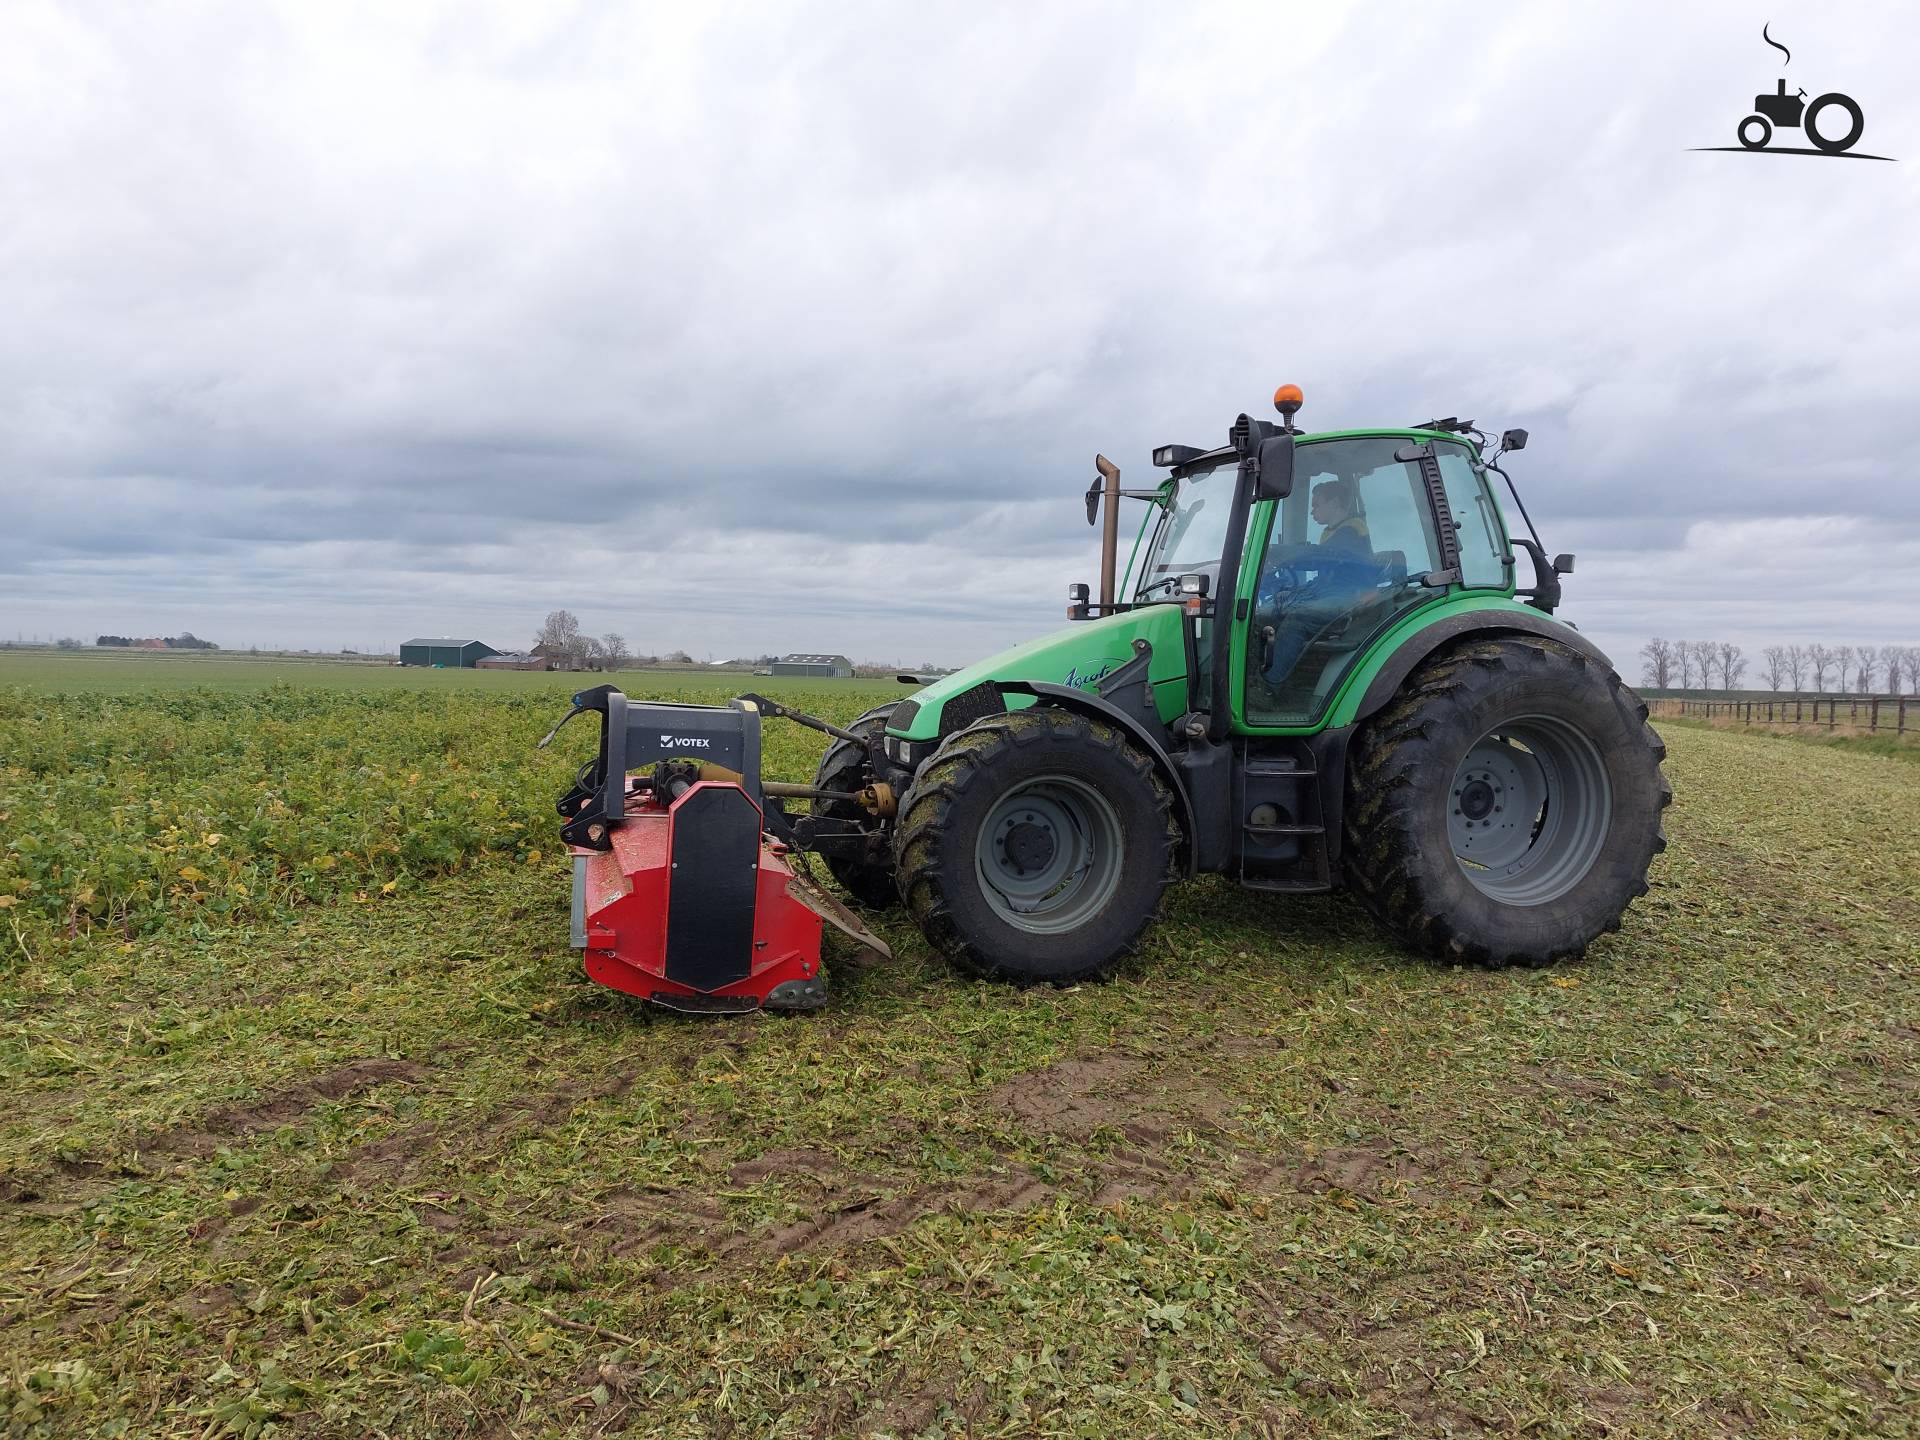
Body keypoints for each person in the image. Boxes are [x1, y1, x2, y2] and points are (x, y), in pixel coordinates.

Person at [1257, 477, 1380, 695]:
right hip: (1326, 591)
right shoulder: (1333, 531)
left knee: (1297, 620)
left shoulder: (1352, 530)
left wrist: (1283, 554)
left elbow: (1324, 556)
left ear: (1333, 503)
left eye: (1316, 505)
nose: (1312, 511)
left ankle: (1270, 687)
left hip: (1349, 597)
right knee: (1274, 604)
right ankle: (1273, 672)